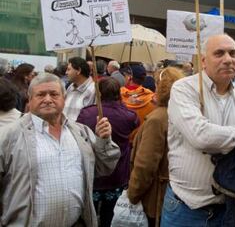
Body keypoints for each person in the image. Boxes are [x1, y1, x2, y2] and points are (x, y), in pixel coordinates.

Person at [161, 34, 235, 226]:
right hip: (185, 210)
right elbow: (201, 137)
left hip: (232, 211)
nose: (228, 59)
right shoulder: (184, 89)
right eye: (219, 53)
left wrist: (225, 139)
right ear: (204, 61)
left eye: (233, 53)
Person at [0, 73, 120, 226]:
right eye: (41, 94)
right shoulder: (8, 136)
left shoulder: (80, 132)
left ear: (64, 98)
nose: (48, 99)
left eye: (54, 94)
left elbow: (104, 168)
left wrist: (103, 141)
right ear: (29, 100)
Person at [77, 77, 137, 227]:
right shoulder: (130, 116)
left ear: (99, 94)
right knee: (109, 217)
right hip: (117, 175)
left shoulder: (86, 114)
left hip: (94, 174)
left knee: (87, 217)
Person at [128, 67, 184, 227]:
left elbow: (145, 165)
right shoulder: (180, 113)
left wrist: (133, 194)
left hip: (155, 198)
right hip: (172, 193)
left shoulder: (157, 119)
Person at [121, 64, 156, 129]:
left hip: (123, 137)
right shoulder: (152, 98)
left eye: (125, 75)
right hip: (143, 136)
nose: (124, 77)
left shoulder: (118, 95)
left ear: (129, 77)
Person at [64, 57, 96, 122]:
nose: (66, 73)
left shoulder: (93, 90)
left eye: (68, 69)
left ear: (78, 70)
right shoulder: (70, 87)